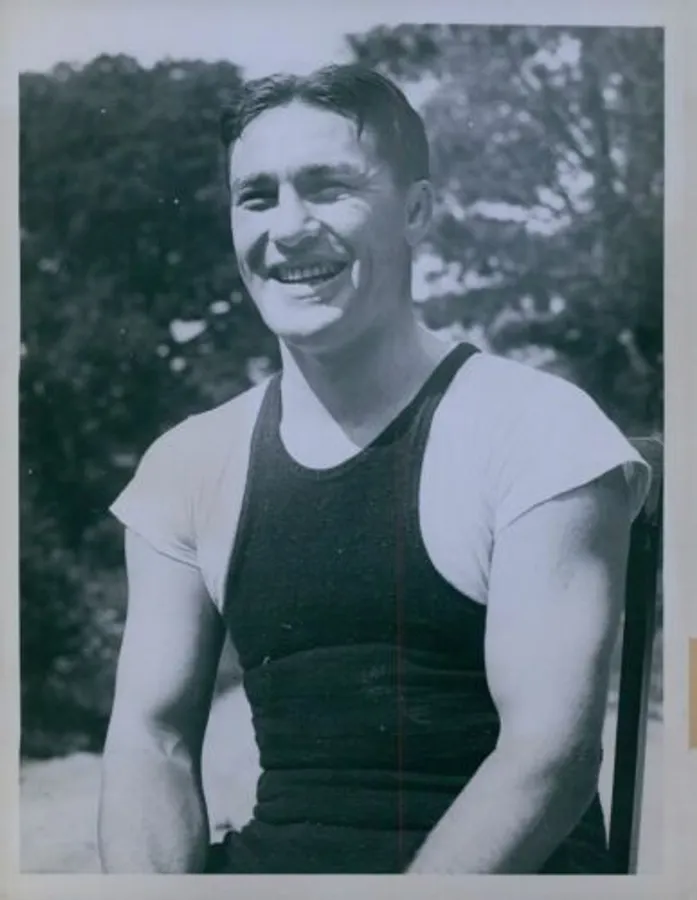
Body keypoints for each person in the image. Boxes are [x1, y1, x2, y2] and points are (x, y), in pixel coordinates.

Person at [98, 64, 651, 875]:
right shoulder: (188, 464)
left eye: (328, 188)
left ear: (416, 211)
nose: (288, 228)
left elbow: (548, 755)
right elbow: (152, 740)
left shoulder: (536, 428)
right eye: (257, 197)